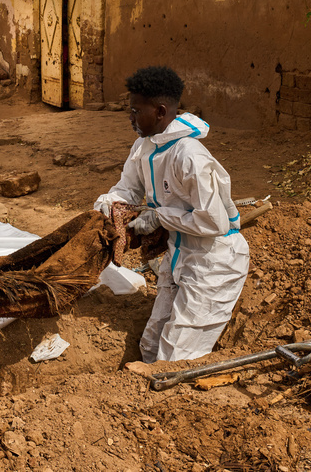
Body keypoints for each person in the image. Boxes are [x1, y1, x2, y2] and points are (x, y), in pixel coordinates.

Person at [93, 66, 250, 363]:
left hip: (213, 263)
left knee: (175, 359)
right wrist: (107, 205)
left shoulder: (190, 155)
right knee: (151, 346)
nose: (130, 118)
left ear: (161, 111)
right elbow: (127, 188)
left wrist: (160, 217)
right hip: (178, 256)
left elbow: (213, 221)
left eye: (136, 111)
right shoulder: (144, 146)